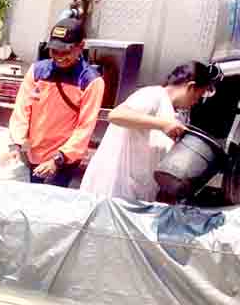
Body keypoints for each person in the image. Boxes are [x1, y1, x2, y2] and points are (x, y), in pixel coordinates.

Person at [80, 61, 221, 201]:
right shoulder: (152, 95)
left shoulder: (178, 114)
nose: (195, 102)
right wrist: (162, 124)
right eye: (198, 96)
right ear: (191, 87)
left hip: (136, 193)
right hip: (112, 188)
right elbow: (116, 115)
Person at [8, 18, 106, 187]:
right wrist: (16, 143)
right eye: (54, 51)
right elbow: (22, 110)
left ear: (81, 46)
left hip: (64, 160)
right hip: (36, 154)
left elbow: (85, 127)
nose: (59, 57)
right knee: (34, 196)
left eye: (66, 51)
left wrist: (59, 159)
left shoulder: (91, 81)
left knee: (52, 199)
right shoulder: (37, 71)